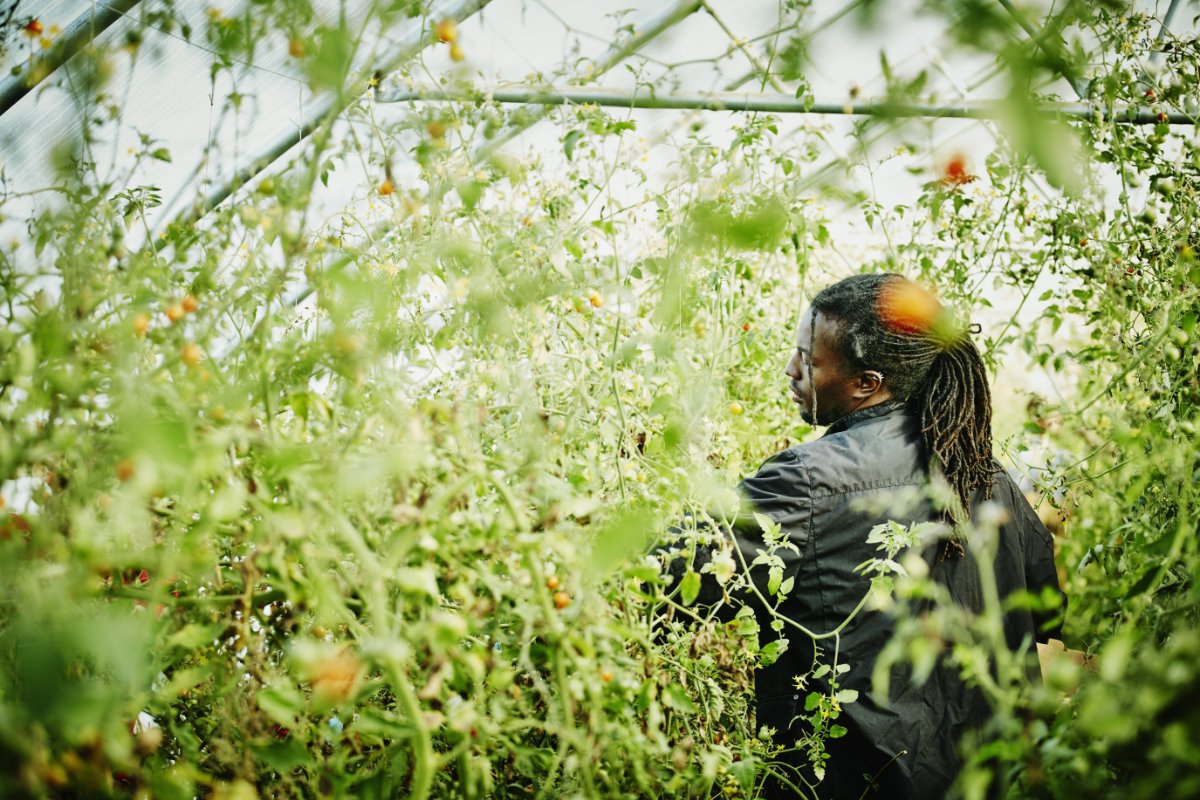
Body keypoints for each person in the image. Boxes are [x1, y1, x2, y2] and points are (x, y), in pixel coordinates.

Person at [658, 273, 1065, 798]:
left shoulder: (805, 480)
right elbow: (1045, 616)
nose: (791, 369)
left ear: (865, 383)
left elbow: (667, 578)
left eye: (808, 357)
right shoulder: (988, 476)